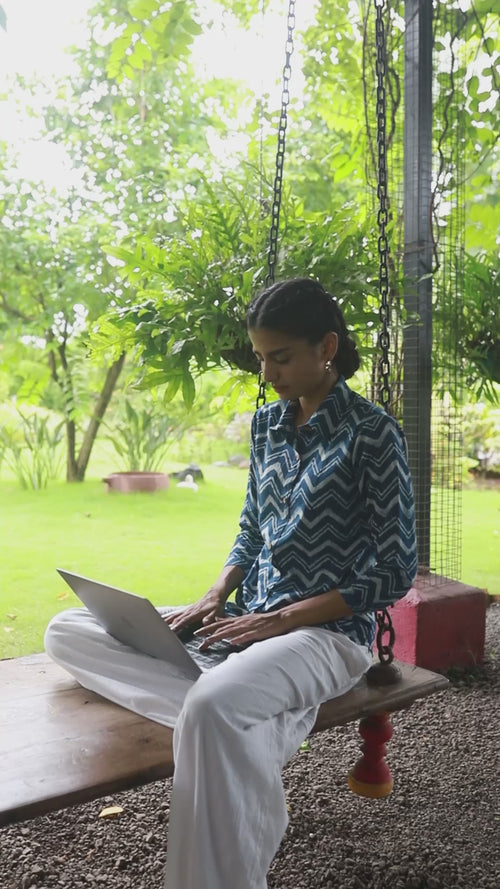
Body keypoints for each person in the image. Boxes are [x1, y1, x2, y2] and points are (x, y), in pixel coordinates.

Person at [45, 277, 417, 889]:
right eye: (260, 357)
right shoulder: (268, 425)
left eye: (282, 356)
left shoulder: (372, 433)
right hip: (243, 622)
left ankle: (226, 730)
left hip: (327, 634)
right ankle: (243, 721)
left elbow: (395, 571)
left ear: (327, 346)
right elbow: (251, 528)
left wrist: (281, 619)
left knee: (215, 704)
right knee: (70, 630)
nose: (268, 372)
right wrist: (214, 595)